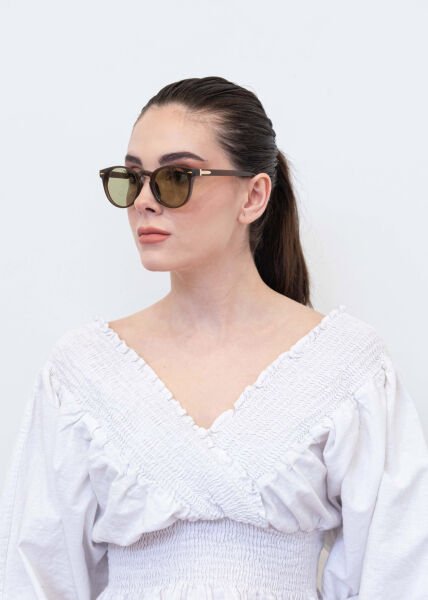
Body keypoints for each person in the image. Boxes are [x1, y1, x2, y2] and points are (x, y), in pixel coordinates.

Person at [0, 75, 427, 600]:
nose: (144, 201)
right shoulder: (82, 372)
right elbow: (35, 577)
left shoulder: (346, 366)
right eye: (131, 178)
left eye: (175, 177)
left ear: (254, 195)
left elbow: (399, 574)